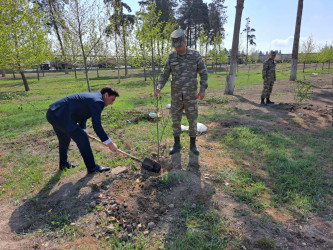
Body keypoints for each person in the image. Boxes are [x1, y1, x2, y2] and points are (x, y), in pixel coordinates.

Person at [154, 28, 208, 156]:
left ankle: (193, 145)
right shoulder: (171, 57)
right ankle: (176, 144)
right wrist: (159, 87)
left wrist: (202, 90)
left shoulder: (195, 55)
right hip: (176, 96)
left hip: (191, 96)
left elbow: (203, 73)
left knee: (192, 120)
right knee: (176, 120)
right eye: (175, 47)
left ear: (185, 42)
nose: (177, 49)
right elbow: (164, 74)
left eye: (179, 46)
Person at [46, 87, 119, 174]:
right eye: (112, 100)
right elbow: (97, 126)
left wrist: (83, 129)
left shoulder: (94, 98)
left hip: (54, 113)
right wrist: (110, 143)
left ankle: (64, 164)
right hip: (60, 115)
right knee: (82, 138)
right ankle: (92, 167)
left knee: (65, 139)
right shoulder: (98, 101)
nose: (112, 103)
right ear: (106, 95)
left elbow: (83, 114)